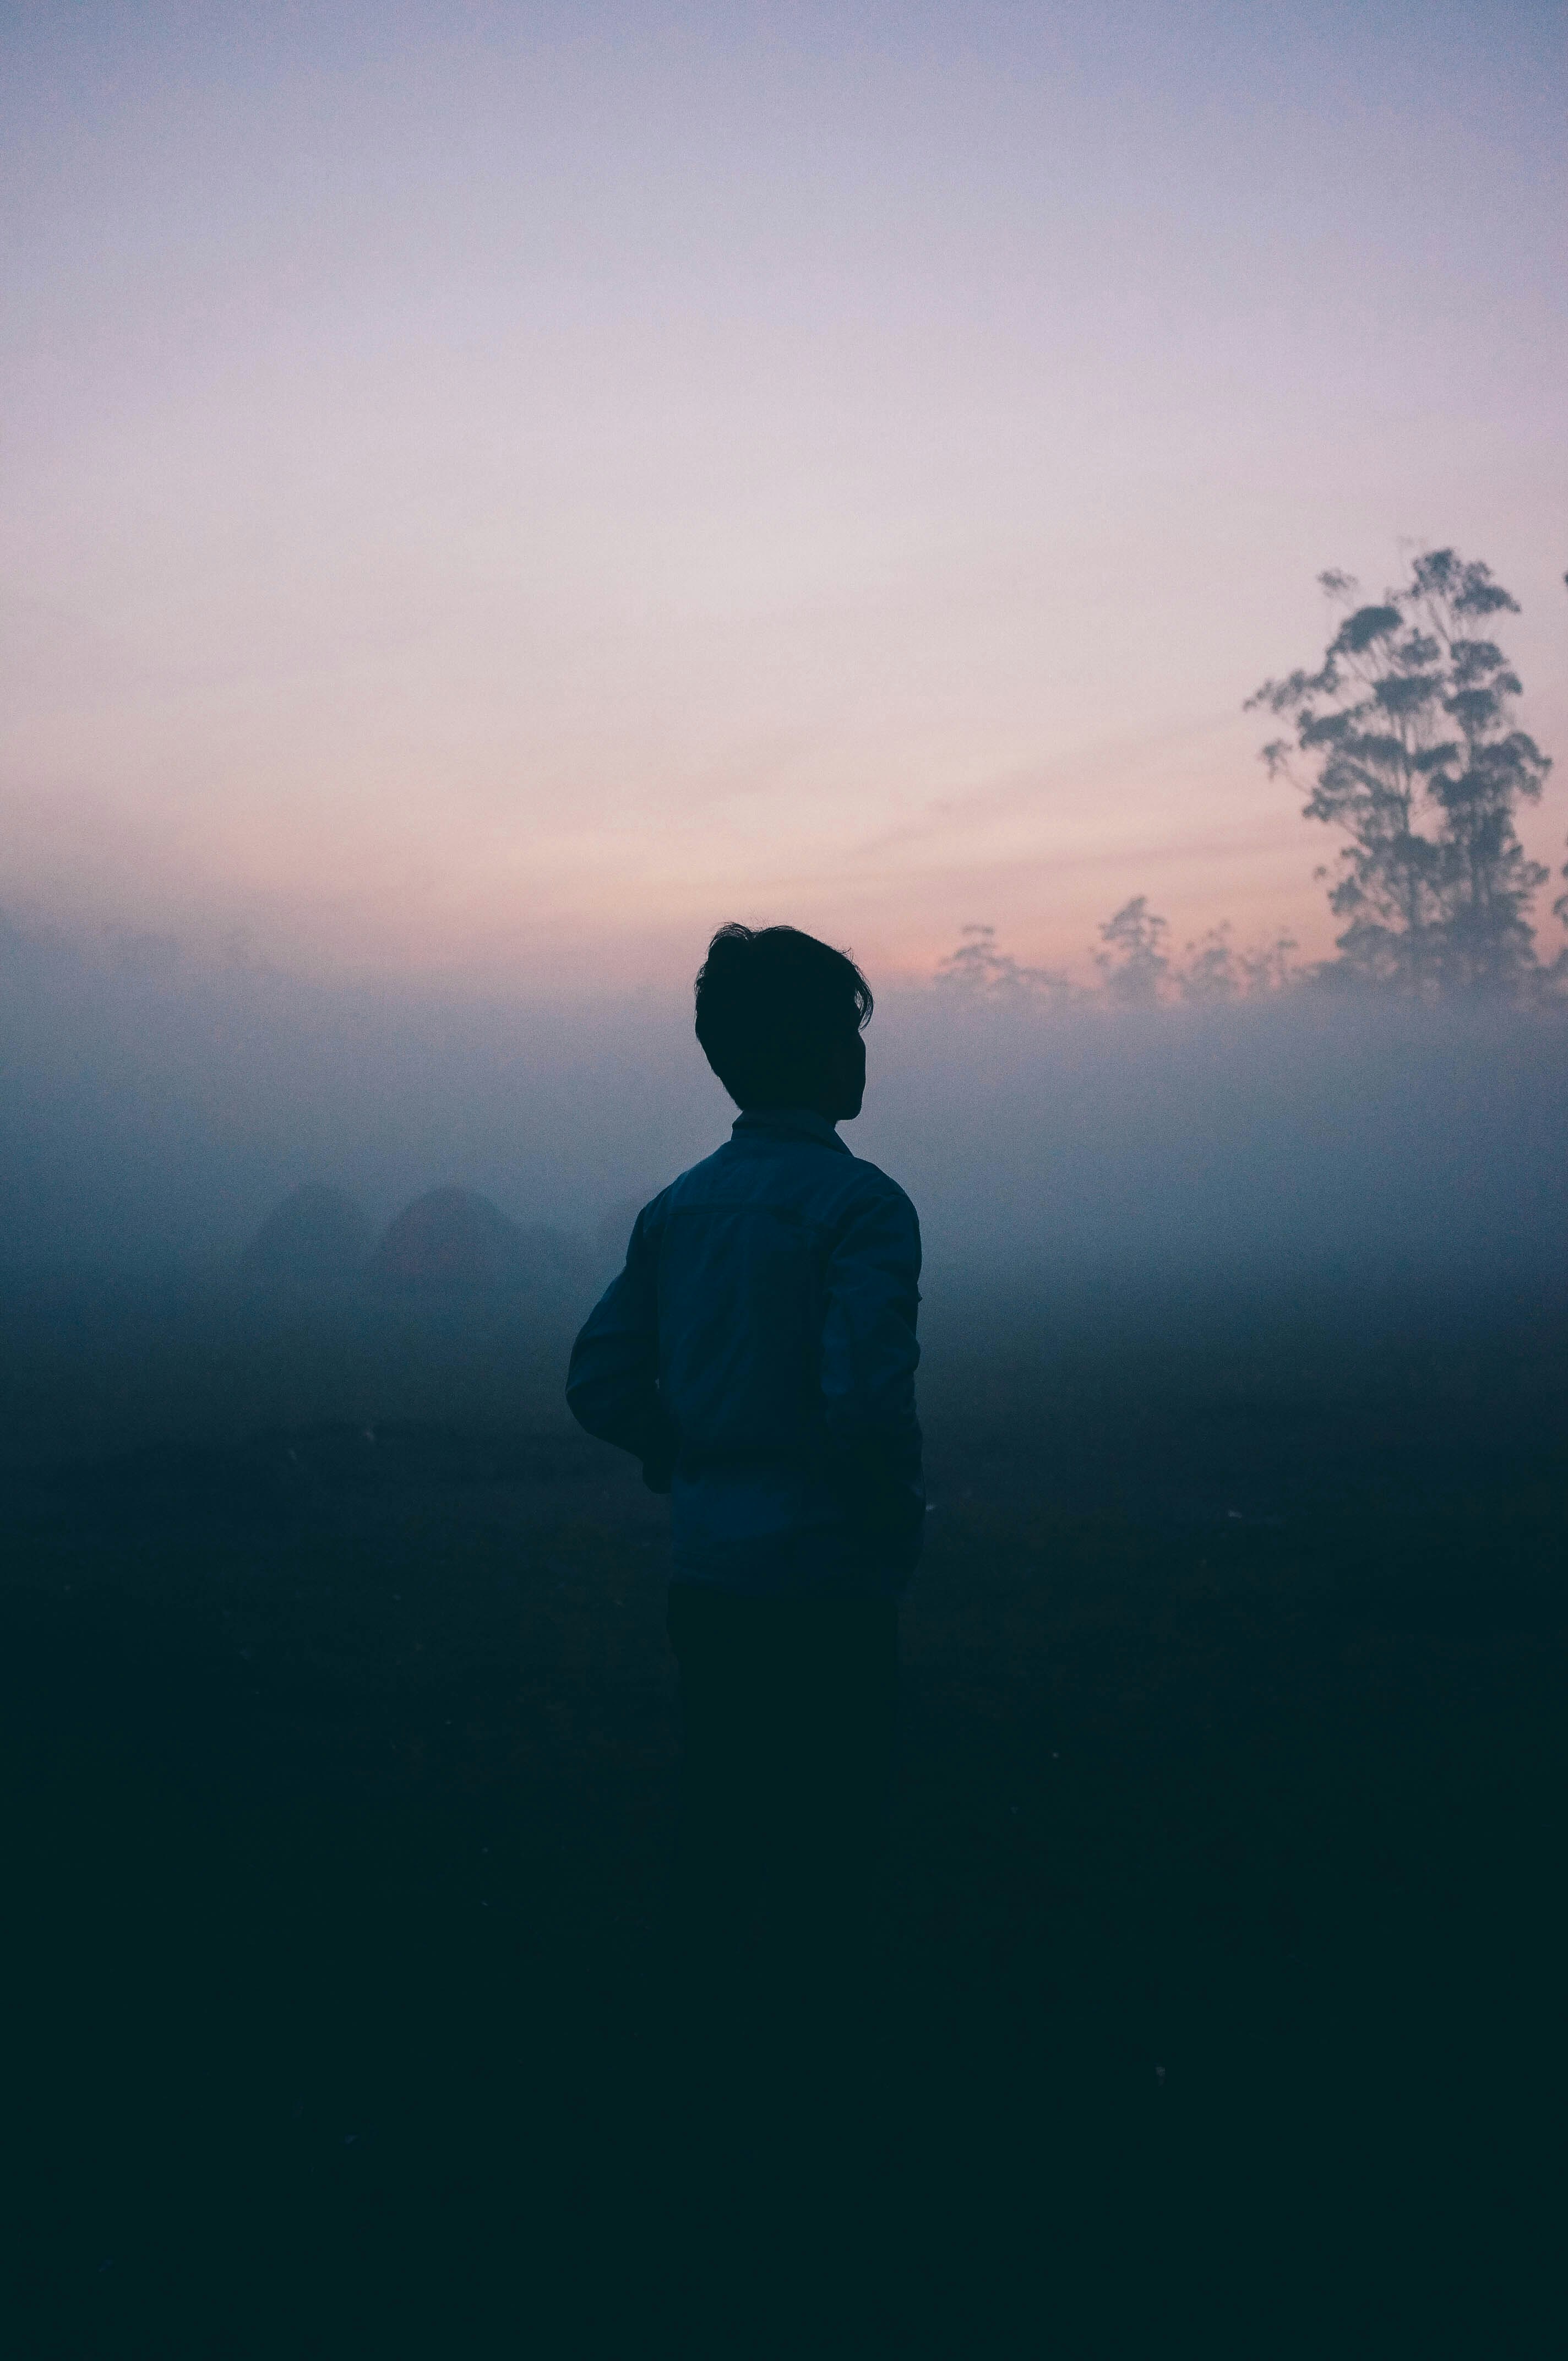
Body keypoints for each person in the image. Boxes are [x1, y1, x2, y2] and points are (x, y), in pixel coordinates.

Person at [565, 922, 924, 2048]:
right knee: (833, 1824)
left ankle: (705, 2039)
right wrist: (883, 1509)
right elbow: (864, 1393)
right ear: (819, 1051)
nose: (862, 1057)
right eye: (849, 1034)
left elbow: (601, 1375)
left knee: (721, 1808)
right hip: (824, 1567)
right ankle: (819, 2046)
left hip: (710, 1562)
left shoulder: (678, 1207)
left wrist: (678, 1448)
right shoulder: (864, 1207)